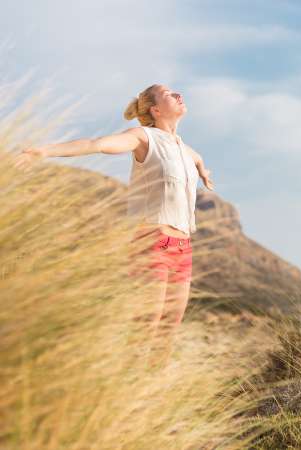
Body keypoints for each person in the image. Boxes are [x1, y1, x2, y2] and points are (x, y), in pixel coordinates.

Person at [13, 83, 214, 367]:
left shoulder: (186, 149)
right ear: (155, 110)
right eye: (169, 94)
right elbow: (96, 145)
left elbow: (198, 159)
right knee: (147, 326)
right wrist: (44, 151)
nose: (178, 94)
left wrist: (203, 172)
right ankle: (128, 386)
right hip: (153, 244)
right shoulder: (143, 137)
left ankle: (153, 393)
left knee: (169, 329)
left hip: (183, 249)